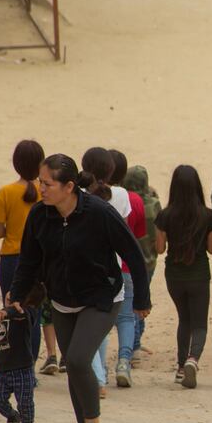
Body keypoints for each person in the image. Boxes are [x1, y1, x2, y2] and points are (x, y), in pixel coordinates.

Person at [9, 153, 151, 423]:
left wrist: (142, 298)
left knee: (76, 359)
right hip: (62, 300)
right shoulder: (39, 215)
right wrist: (17, 294)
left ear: (69, 186)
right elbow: (29, 260)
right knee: (73, 367)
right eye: (40, 182)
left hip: (101, 297)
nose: (41, 188)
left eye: (47, 184)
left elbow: (133, 253)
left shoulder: (99, 212)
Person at [154, 165, 212, 389]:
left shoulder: (165, 215)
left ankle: (181, 368)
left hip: (174, 275)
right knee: (199, 324)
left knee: (184, 320)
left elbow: (160, 249)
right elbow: (211, 249)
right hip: (199, 274)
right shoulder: (207, 215)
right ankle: (193, 359)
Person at [80, 148, 132, 398]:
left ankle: (97, 379)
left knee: (86, 325)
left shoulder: (79, 194)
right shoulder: (121, 195)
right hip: (113, 268)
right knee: (101, 326)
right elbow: (124, 231)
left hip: (86, 266)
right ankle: (99, 377)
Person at [0, 139, 45, 362]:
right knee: (33, 315)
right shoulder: (45, 191)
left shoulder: (6, 192)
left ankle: (13, 363)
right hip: (38, 260)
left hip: (11, 259)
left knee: (11, 312)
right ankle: (30, 365)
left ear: (16, 163)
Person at [108, 149, 145, 387]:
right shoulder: (134, 199)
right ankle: (124, 361)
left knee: (99, 317)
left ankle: (98, 370)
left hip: (102, 266)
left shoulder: (90, 195)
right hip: (126, 266)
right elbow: (138, 235)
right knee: (126, 318)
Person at [0, 283, 44, 423]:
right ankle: (13, 416)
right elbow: (0, 337)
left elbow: (18, 312)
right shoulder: (3, 314)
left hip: (22, 368)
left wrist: (7, 310)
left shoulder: (27, 314)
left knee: (25, 402)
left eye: (16, 293)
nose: (10, 294)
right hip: (3, 367)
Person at [124, 165, 161, 358]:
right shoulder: (153, 204)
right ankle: (136, 342)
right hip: (149, 260)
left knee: (133, 302)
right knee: (142, 299)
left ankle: (135, 343)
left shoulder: (127, 203)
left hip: (129, 261)